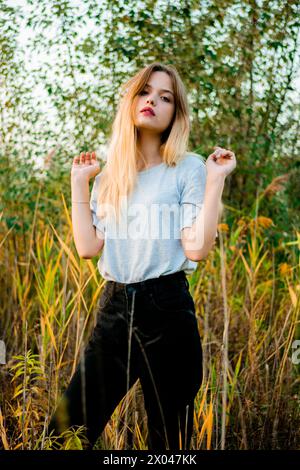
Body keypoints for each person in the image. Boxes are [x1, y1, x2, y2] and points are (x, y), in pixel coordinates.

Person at [47, 62, 236, 450]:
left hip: (167, 310)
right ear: (131, 102)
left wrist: (215, 181)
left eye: (165, 97)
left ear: (175, 114)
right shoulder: (108, 178)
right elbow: (87, 248)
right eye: (146, 92)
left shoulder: (187, 168)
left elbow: (196, 248)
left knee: (168, 442)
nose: (153, 101)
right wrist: (78, 183)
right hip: (115, 308)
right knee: (66, 433)